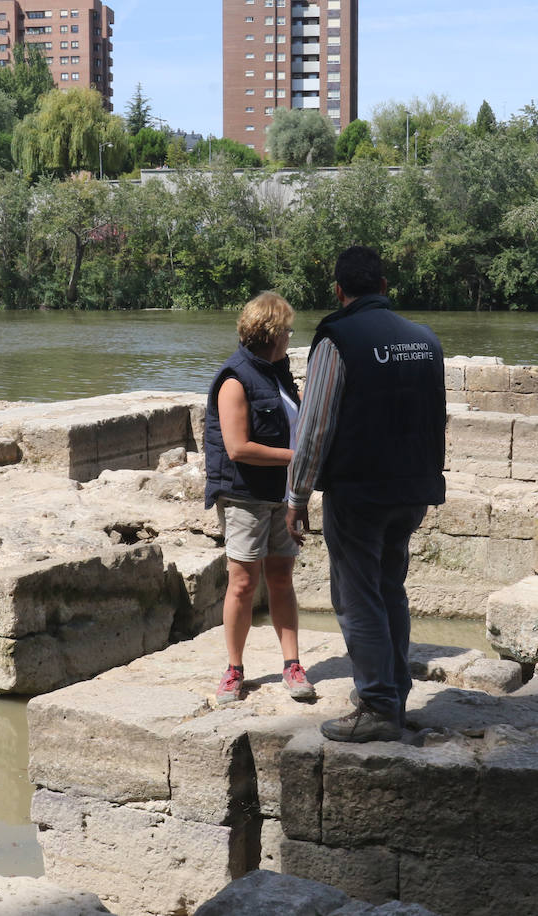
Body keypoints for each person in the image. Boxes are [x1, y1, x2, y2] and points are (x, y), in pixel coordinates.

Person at [285, 246, 446, 742]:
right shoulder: (424, 340)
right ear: (383, 285)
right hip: (413, 489)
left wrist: (297, 495)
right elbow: (435, 416)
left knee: (357, 597)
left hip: (360, 491)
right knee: (390, 588)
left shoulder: (338, 339)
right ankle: (392, 693)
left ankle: (377, 705)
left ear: (339, 290)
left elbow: (314, 425)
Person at [204, 291, 316, 706]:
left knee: (282, 577)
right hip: (243, 496)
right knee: (243, 582)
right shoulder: (235, 379)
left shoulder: (278, 373)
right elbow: (237, 448)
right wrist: (300, 457)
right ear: (271, 332)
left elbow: (300, 420)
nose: (290, 337)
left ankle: (292, 664)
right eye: (287, 330)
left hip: (281, 494)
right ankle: (234, 670)